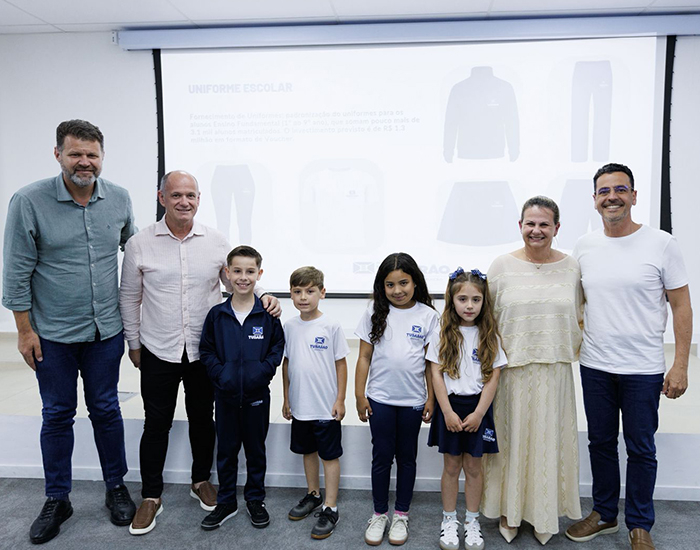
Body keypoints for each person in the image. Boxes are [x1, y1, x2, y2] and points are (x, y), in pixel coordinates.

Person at [119, 171, 280, 535]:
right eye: (176, 195)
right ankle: (151, 496)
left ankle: (200, 480)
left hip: (205, 351)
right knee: (155, 423)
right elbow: (129, 296)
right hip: (158, 347)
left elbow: (236, 281)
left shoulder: (216, 241)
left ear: (199, 199)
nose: (184, 202)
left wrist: (265, 295)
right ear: (162, 197)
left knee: (203, 419)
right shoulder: (140, 244)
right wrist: (134, 343)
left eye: (190, 195)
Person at [2, 119, 137, 544]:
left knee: (107, 410)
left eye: (92, 154)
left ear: (102, 157)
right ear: (58, 154)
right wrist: (24, 332)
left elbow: (136, 252)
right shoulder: (28, 201)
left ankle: (116, 487)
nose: (84, 162)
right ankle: (57, 498)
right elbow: (15, 273)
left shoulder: (119, 198)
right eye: (75, 153)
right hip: (52, 336)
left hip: (105, 333)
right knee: (57, 415)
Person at [566, 163, 692, 550]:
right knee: (600, 443)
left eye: (620, 189)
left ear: (634, 196)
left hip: (643, 369)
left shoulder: (662, 244)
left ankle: (640, 525)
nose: (612, 197)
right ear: (594, 200)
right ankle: (605, 514)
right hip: (596, 365)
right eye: (604, 191)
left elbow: (682, 306)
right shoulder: (584, 246)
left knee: (641, 448)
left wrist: (681, 365)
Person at [482, 196, 583, 545]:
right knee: (511, 445)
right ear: (520, 226)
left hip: (555, 371)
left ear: (556, 228)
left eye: (544, 224)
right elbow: (486, 318)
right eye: (530, 223)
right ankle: (508, 513)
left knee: (547, 444)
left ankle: (543, 514)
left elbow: (580, 315)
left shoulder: (572, 267)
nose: (536, 230)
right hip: (511, 372)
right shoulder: (501, 266)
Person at [354, 252, 439, 546]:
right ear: (382, 286)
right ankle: (379, 514)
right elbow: (364, 357)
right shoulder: (374, 312)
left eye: (403, 283)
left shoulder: (428, 316)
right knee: (381, 457)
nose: (397, 290)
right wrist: (359, 395)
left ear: (415, 283)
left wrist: (431, 399)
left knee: (406, 458)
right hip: (379, 399)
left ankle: (401, 514)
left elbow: (430, 364)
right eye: (390, 284)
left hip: (413, 401)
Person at [198, 245, 285, 531]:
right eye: (237, 271)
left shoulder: (268, 315)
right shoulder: (217, 315)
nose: (243, 277)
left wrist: (262, 372)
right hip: (225, 396)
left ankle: (255, 499)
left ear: (259, 274)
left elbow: (277, 347)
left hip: (257, 396)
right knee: (226, 451)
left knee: (255, 451)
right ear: (227, 273)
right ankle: (226, 501)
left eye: (250, 271)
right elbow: (207, 350)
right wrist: (221, 375)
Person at [427, 268, 506, 550]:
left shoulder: (490, 335)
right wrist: (447, 412)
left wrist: (480, 413)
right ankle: (449, 520)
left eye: (476, 299)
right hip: (449, 407)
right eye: (462, 299)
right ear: (452, 300)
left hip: (477, 409)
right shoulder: (441, 333)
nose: (469, 306)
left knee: (474, 467)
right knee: (451, 466)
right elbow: (436, 374)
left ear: (484, 301)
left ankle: (472, 522)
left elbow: (494, 376)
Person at [282, 266, 349, 539]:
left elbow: (341, 364)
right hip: (301, 407)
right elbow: (287, 364)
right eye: (297, 291)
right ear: (290, 294)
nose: (303, 297)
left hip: (325, 407)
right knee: (307, 451)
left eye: (309, 291)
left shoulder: (331, 326)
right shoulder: (289, 326)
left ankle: (330, 507)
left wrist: (340, 399)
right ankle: (313, 494)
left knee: (329, 456)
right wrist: (286, 398)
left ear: (322, 293)